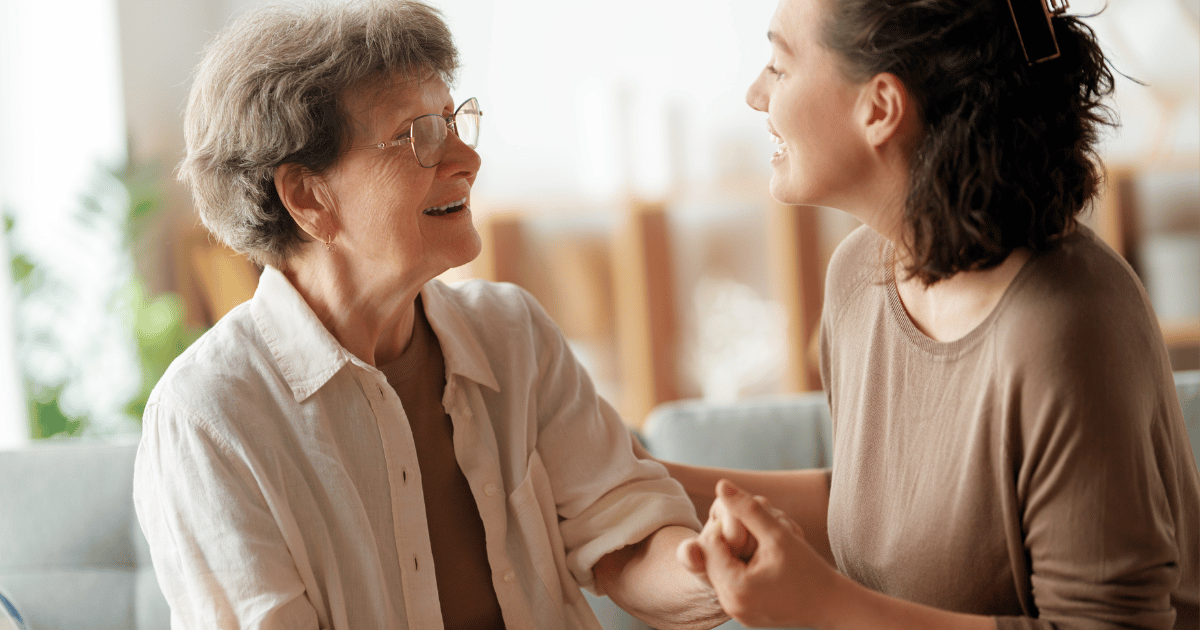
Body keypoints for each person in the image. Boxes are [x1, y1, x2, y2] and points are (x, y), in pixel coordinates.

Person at [131, 2, 728, 629]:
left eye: (452, 121)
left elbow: (625, 539)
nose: (467, 160)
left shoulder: (512, 332)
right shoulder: (208, 417)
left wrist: (714, 573)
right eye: (418, 135)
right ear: (308, 196)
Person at [661, 0, 1200, 628]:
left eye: (779, 68)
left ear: (880, 108)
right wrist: (634, 473)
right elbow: (885, 514)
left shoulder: (1066, 326)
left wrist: (822, 607)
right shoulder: (858, 275)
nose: (756, 95)